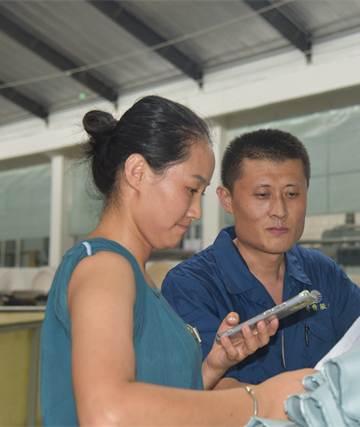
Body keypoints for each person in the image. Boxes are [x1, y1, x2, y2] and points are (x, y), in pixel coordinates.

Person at [40, 97, 312, 426]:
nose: (196, 212)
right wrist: (261, 402)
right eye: (191, 189)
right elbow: (108, 413)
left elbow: (157, 399)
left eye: (202, 194)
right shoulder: (104, 268)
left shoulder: (138, 277)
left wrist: (212, 366)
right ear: (137, 173)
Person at [161, 128, 360, 388]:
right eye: (263, 195)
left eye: (292, 194)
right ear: (227, 200)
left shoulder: (322, 273)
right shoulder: (190, 286)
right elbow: (219, 392)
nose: (280, 211)